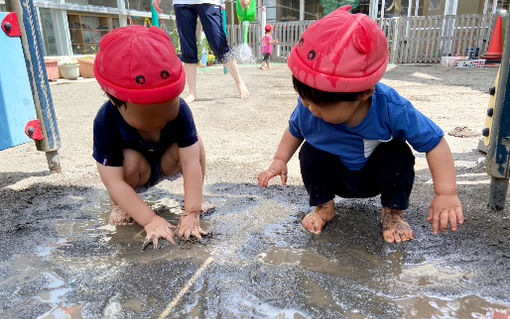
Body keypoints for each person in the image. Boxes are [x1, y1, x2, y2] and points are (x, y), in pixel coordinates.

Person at [257, 5, 463, 243]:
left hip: (373, 176)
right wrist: (280, 160)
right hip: (336, 177)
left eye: (320, 106)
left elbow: (434, 142)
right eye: (305, 99)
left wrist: (446, 193)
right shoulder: (309, 107)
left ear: (363, 94)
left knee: (399, 153)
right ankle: (324, 206)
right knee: (310, 153)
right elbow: (294, 130)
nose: (311, 109)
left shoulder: (390, 107)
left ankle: (393, 213)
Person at [92, 25, 209, 249]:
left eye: (168, 112)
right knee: (128, 162)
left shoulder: (182, 111)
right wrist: (150, 219)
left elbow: (191, 162)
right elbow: (113, 180)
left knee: (196, 145)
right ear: (115, 101)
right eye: (149, 117)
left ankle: (197, 201)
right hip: (135, 173)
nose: (159, 123)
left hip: (166, 162)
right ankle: (122, 204)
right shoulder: (106, 121)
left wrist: (191, 211)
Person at [152, 0, 250, 103]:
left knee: (218, 44)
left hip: (209, 2)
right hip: (182, 2)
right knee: (187, 47)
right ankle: (192, 93)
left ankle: (239, 81)